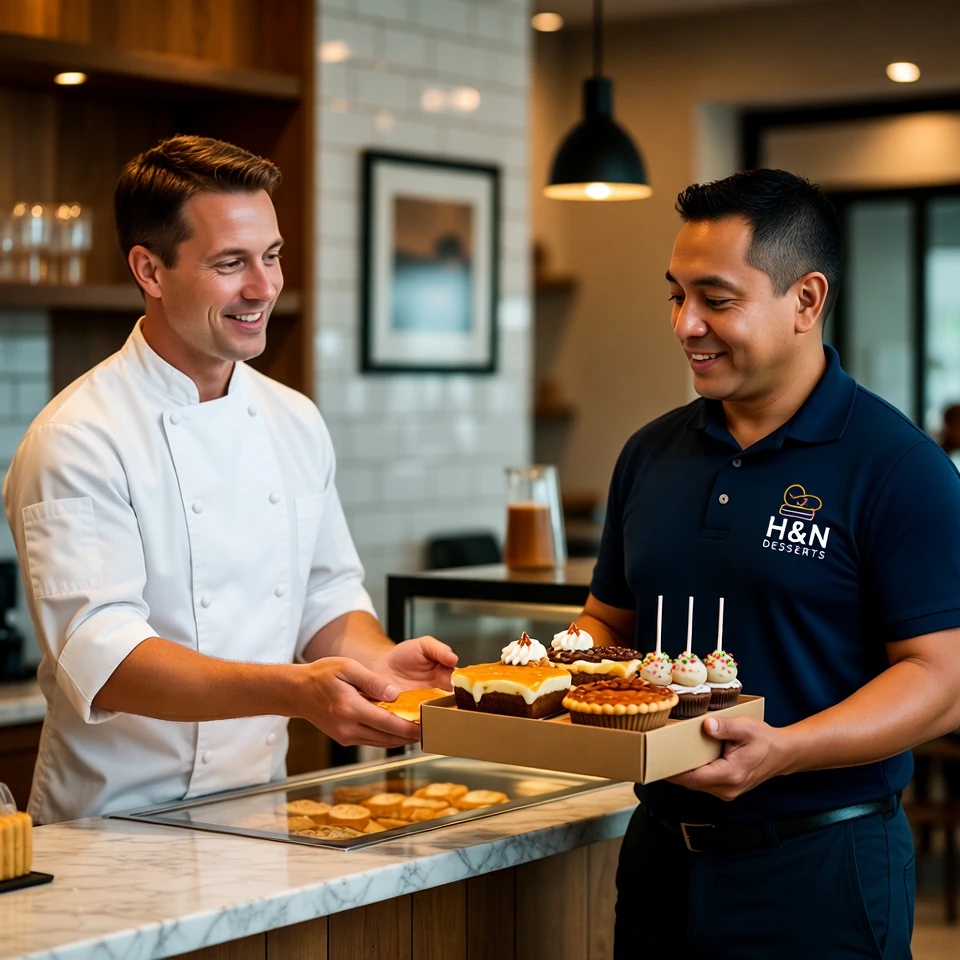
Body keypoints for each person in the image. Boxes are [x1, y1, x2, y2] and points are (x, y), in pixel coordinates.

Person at [2, 136, 457, 825]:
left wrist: (380, 666)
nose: (264, 287)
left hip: (256, 813)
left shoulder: (293, 420)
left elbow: (325, 598)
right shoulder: (79, 436)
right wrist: (295, 691)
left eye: (271, 256)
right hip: (112, 829)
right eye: (230, 263)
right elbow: (108, 660)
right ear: (149, 269)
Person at [577, 169, 960, 958]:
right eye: (676, 294)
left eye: (716, 300)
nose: (686, 324)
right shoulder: (649, 454)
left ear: (806, 301)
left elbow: (943, 680)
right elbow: (607, 623)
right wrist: (538, 682)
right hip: (658, 859)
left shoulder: (898, 466)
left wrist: (786, 749)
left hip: (822, 868)